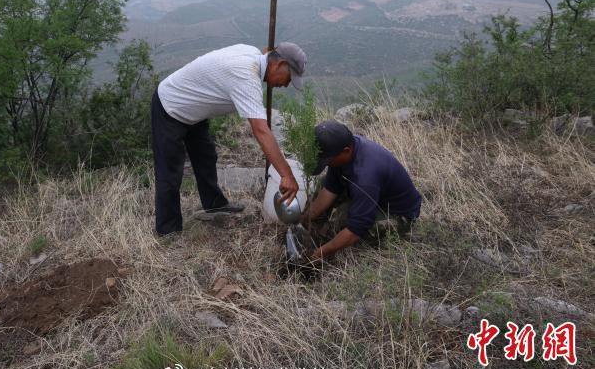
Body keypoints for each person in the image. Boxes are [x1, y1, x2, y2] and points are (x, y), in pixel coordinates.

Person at [151, 42, 308, 236]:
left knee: (206, 157)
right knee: (170, 171)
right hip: (171, 106)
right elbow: (261, 131)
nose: (285, 84)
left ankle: (215, 205)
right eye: (289, 77)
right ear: (278, 64)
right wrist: (286, 175)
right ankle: (168, 231)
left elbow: (268, 50)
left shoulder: (252, 55)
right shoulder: (245, 76)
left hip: (195, 111)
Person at [299, 120, 422, 260]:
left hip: (397, 214)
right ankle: (317, 229)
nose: (327, 164)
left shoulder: (365, 176)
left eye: (327, 161)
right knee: (322, 183)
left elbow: (355, 230)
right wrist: (306, 219)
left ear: (346, 151)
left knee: (340, 223)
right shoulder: (342, 150)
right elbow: (329, 189)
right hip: (373, 196)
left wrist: (318, 254)